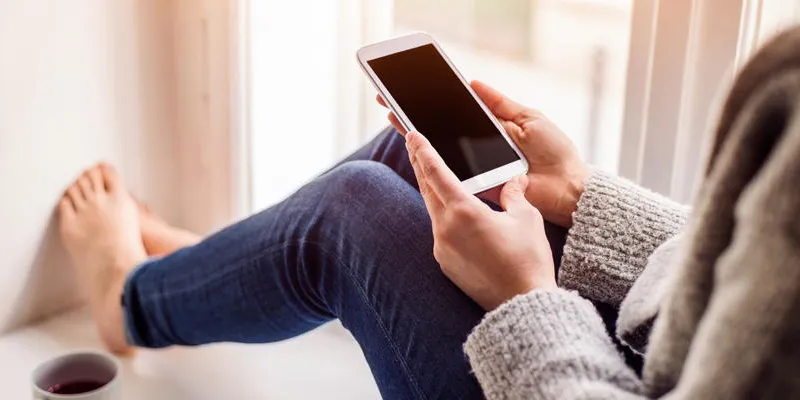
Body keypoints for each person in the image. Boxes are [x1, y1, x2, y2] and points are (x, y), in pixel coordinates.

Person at [57, 28, 800, 399]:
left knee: (349, 212)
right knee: (405, 152)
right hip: (657, 341)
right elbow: (731, 253)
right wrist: (581, 197)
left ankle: (132, 306)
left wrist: (528, 301)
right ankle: (214, 274)